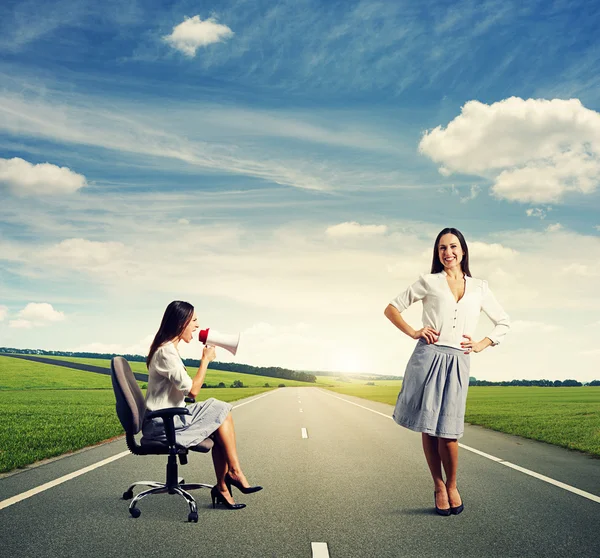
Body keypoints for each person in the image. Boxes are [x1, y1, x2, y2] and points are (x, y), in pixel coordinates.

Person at [384, 227, 510, 516]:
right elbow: (392, 308)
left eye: (453, 246)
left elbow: (503, 322)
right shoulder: (428, 282)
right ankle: (438, 485)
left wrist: (482, 343)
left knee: (448, 434)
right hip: (427, 357)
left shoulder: (480, 287)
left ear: (463, 251)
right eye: (442, 248)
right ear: (437, 253)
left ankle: (452, 484)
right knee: (428, 428)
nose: (448, 252)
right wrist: (414, 331)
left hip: (458, 360)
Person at [142, 300, 262, 510]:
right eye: (194, 320)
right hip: (163, 423)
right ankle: (232, 475)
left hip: (172, 416)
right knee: (220, 410)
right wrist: (205, 360)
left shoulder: (169, 350)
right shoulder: (165, 353)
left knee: (221, 411)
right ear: (181, 323)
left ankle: (225, 484)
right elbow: (193, 391)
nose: (197, 326)